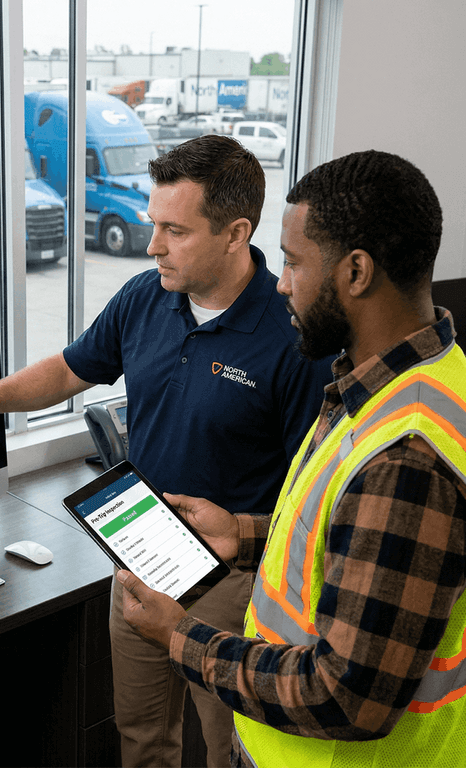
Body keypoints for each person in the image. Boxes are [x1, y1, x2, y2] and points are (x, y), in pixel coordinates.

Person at [0, 134, 333, 767]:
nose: (152, 244)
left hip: (234, 583)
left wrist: (245, 538)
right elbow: (70, 371)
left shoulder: (291, 335)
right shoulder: (144, 296)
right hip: (139, 554)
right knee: (142, 739)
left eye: (174, 230)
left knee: (228, 753)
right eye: (153, 223)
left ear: (237, 234)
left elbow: (310, 499)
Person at [118, 149, 466, 768]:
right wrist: (244, 533)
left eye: (293, 261)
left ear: (355, 272)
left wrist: (180, 637)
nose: (279, 283)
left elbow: (345, 696)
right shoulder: (407, 381)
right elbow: (343, 536)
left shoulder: (406, 459)